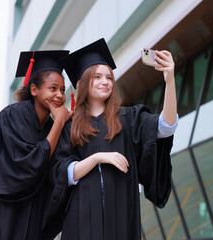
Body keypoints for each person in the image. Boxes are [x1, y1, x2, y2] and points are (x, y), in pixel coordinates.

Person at [45, 38, 178, 240]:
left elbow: (165, 127)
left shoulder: (129, 119)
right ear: (81, 83)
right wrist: (98, 157)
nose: (105, 81)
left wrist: (170, 81)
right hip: (81, 221)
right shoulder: (70, 127)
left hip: (121, 217)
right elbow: (64, 173)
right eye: (97, 77)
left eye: (108, 77)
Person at [0, 50, 73, 240]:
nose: (60, 95)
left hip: (29, 213)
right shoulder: (13, 115)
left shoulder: (51, 126)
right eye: (53, 88)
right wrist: (60, 123)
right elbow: (28, 165)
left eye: (62, 89)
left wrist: (65, 126)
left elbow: (55, 171)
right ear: (34, 90)